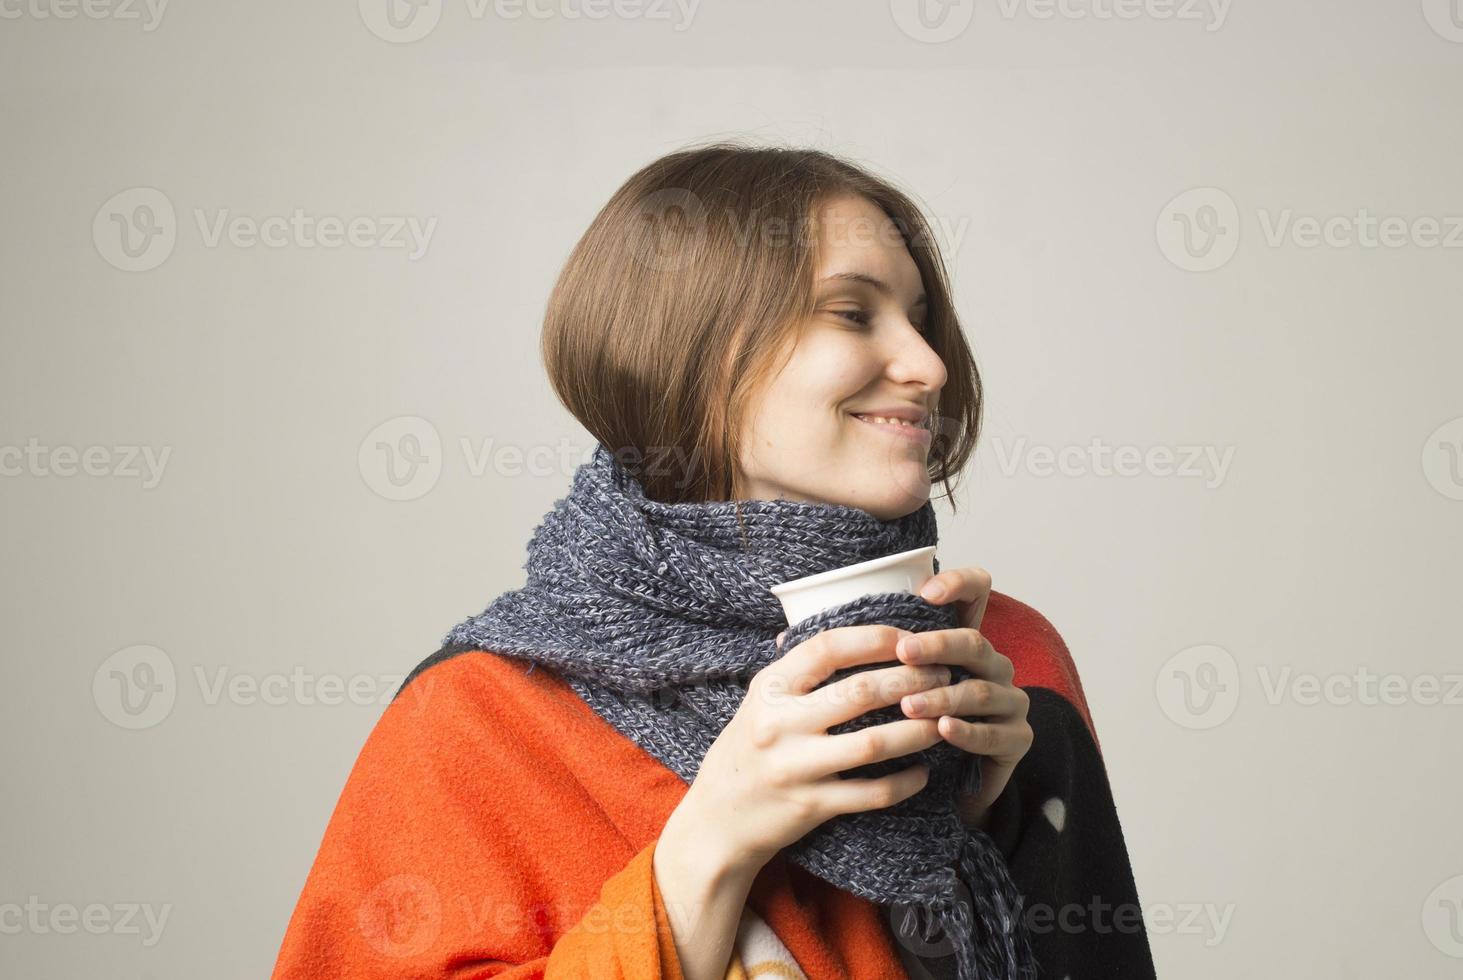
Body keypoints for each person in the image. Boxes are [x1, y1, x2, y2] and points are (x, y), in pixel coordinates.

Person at [270, 142, 1154, 979]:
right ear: (692, 347)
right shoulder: (478, 716)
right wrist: (709, 846)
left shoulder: (1006, 657)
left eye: (921, 321)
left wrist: (987, 826)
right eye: (853, 313)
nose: (927, 365)